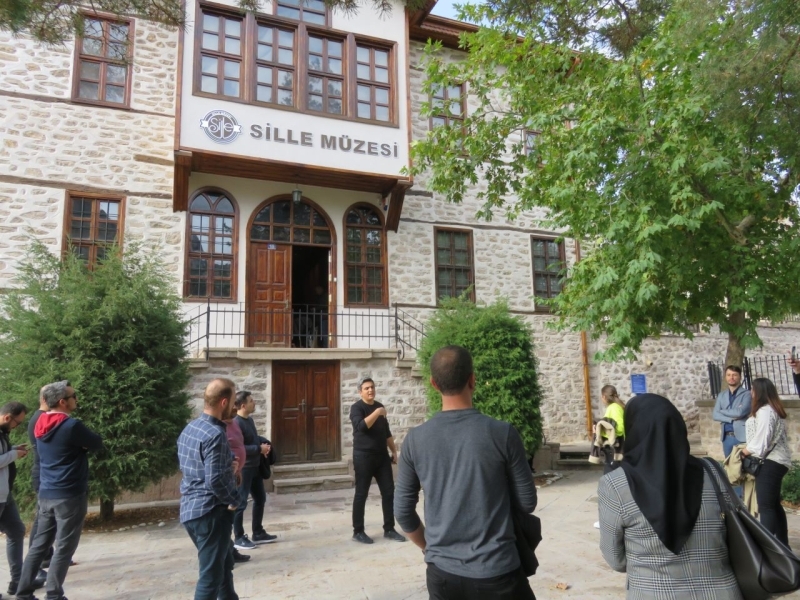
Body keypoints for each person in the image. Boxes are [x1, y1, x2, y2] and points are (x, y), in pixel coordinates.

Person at [394, 346, 537, 599]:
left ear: (433, 383)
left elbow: (403, 512)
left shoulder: (415, 440)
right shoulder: (502, 433)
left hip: (442, 575)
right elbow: (527, 502)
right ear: (473, 380)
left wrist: (430, 548)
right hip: (498, 571)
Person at [598, 394, 742, 599]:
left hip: (653, 593)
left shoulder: (615, 484)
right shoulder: (712, 471)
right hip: (721, 592)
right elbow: (733, 532)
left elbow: (616, 560)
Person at [16, 381, 104, 600]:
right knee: (65, 547)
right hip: (69, 494)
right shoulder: (71, 426)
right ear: (63, 402)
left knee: (39, 545)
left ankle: (23, 593)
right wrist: (81, 446)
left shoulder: (39, 423)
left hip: (47, 492)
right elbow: (96, 442)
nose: (77, 399)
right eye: (74, 396)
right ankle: (54, 595)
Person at [178, 378, 241, 600]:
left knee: (223, 567)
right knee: (210, 578)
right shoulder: (215, 434)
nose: (235, 406)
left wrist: (228, 462)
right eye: (233, 401)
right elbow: (214, 480)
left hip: (191, 510)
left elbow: (193, 463)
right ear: (223, 402)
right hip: (210, 513)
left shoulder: (191, 428)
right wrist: (234, 499)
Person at [349, 376, 406, 544]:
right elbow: (361, 426)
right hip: (363, 457)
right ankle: (358, 531)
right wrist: (377, 412)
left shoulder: (380, 407)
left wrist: (394, 450)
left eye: (372, 387)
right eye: (366, 388)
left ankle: (389, 529)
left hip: (382, 457)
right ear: (360, 392)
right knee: (361, 494)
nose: (370, 390)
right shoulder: (356, 408)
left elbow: (386, 432)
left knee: (389, 492)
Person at [740, 377, 792, 546]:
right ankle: (782, 546)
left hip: (771, 461)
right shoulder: (772, 409)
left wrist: (744, 452)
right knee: (774, 505)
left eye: (753, 389)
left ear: (760, 392)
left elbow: (762, 440)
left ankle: (767, 548)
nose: (751, 392)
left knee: (766, 506)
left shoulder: (765, 411)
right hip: (776, 460)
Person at [232, 391, 276, 551]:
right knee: (241, 502)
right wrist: (258, 448)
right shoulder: (236, 423)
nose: (254, 402)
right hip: (244, 469)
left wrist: (264, 443)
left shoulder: (249, 420)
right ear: (243, 405)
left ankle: (258, 532)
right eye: (251, 401)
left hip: (255, 467)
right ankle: (238, 537)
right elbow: (239, 448)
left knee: (260, 498)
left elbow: (252, 439)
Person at [0, 402, 30, 596]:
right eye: (16, 423)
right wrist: (14, 454)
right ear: (7, 417)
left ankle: (18, 582)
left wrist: (13, 449)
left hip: (5, 494)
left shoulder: (3, 433)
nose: (16, 427)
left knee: (16, 530)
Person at [27, 386, 54, 584]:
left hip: (45, 474)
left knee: (46, 521)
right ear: (45, 399)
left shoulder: (42, 417)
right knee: (41, 523)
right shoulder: (40, 419)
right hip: (43, 475)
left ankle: (45, 557)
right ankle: (34, 566)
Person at [224, 412, 250, 564]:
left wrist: (238, 470)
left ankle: (231, 551)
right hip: (225, 479)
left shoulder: (234, 423)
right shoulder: (218, 428)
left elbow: (238, 445)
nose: (235, 407)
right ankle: (229, 551)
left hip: (235, 475)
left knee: (227, 520)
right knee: (225, 519)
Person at [712, 365, 751, 458]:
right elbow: (715, 415)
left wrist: (721, 411)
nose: (731, 377)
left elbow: (740, 412)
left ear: (740, 376)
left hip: (742, 436)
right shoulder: (721, 395)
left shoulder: (747, 394)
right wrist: (731, 419)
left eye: (734, 375)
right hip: (727, 437)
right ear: (725, 377)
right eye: (728, 375)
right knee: (729, 464)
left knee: (744, 464)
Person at [599, 385, 625, 474]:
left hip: (614, 448)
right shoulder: (616, 406)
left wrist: (602, 431)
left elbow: (620, 428)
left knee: (610, 476)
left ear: (604, 396)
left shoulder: (614, 408)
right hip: (613, 448)